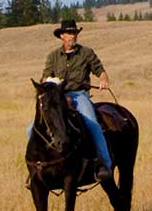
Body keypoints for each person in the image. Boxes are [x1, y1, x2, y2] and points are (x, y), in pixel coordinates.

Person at [40, 18, 115, 177]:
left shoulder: (86, 53)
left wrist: (103, 80)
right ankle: (38, 167)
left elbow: (100, 71)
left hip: (79, 95)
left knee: (93, 124)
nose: (72, 36)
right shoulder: (53, 56)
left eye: (74, 33)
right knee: (32, 129)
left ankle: (104, 164)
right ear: (62, 36)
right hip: (59, 98)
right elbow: (44, 78)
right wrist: (49, 81)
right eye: (69, 33)